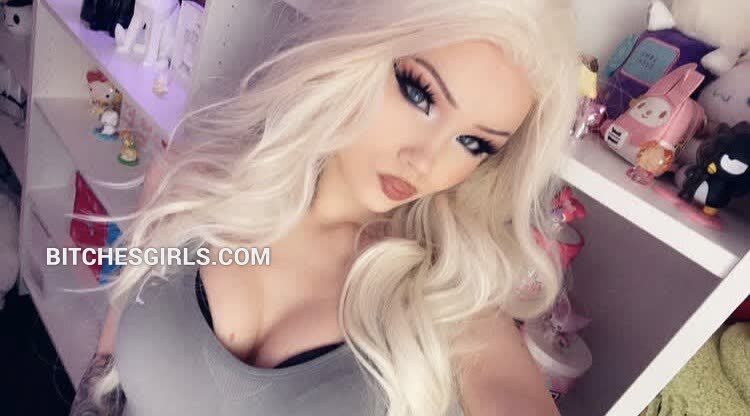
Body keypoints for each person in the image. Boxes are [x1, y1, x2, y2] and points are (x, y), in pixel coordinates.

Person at [69, 0, 579, 415]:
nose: (425, 160)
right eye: (419, 94)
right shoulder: (191, 179)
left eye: (473, 143)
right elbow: (106, 368)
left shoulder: (448, 304)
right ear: (358, 51)